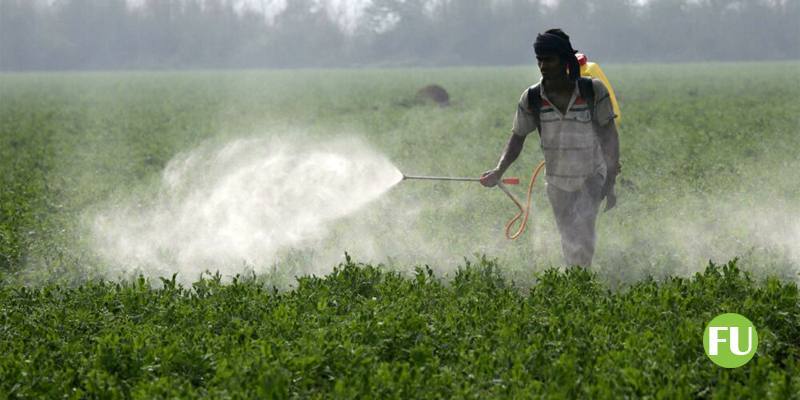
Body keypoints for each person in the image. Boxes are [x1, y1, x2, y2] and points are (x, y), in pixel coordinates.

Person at [480, 28, 621, 267]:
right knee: (568, 236)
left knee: (583, 231)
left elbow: (609, 134)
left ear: (565, 60)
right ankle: (576, 280)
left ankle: (580, 279)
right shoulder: (532, 99)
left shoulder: (592, 91)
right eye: (540, 60)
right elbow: (517, 138)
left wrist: (610, 176)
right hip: (556, 182)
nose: (543, 65)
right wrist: (498, 171)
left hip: (591, 176)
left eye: (549, 59)